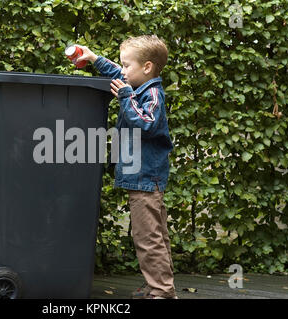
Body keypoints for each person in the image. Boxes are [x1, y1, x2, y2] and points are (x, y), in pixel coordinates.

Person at [76, 35, 177, 299]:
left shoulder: (152, 94)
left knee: (149, 239)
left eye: (127, 65)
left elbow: (146, 123)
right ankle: (159, 286)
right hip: (142, 178)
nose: (122, 70)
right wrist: (93, 58)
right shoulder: (137, 86)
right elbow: (120, 75)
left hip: (145, 178)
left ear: (147, 67)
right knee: (156, 236)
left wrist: (125, 97)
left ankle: (162, 293)